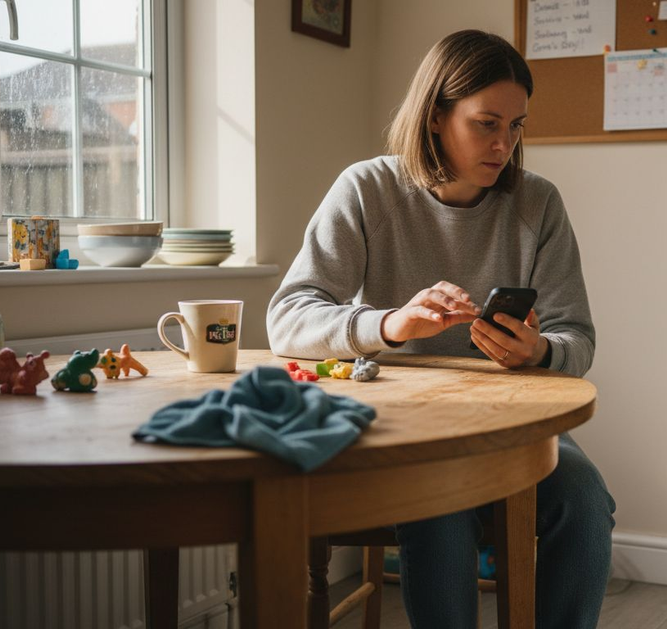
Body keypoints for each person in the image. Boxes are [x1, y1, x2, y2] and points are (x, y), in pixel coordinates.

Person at [266, 29, 615, 628]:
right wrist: (392, 323)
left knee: (583, 502)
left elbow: (576, 337)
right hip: (404, 422)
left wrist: (538, 351)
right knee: (440, 506)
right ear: (435, 117)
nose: (504, 143)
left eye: (516, 126)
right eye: (486, 123)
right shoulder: (366, 189)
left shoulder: (538, 204)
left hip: (512, 417)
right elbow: (288, 317)